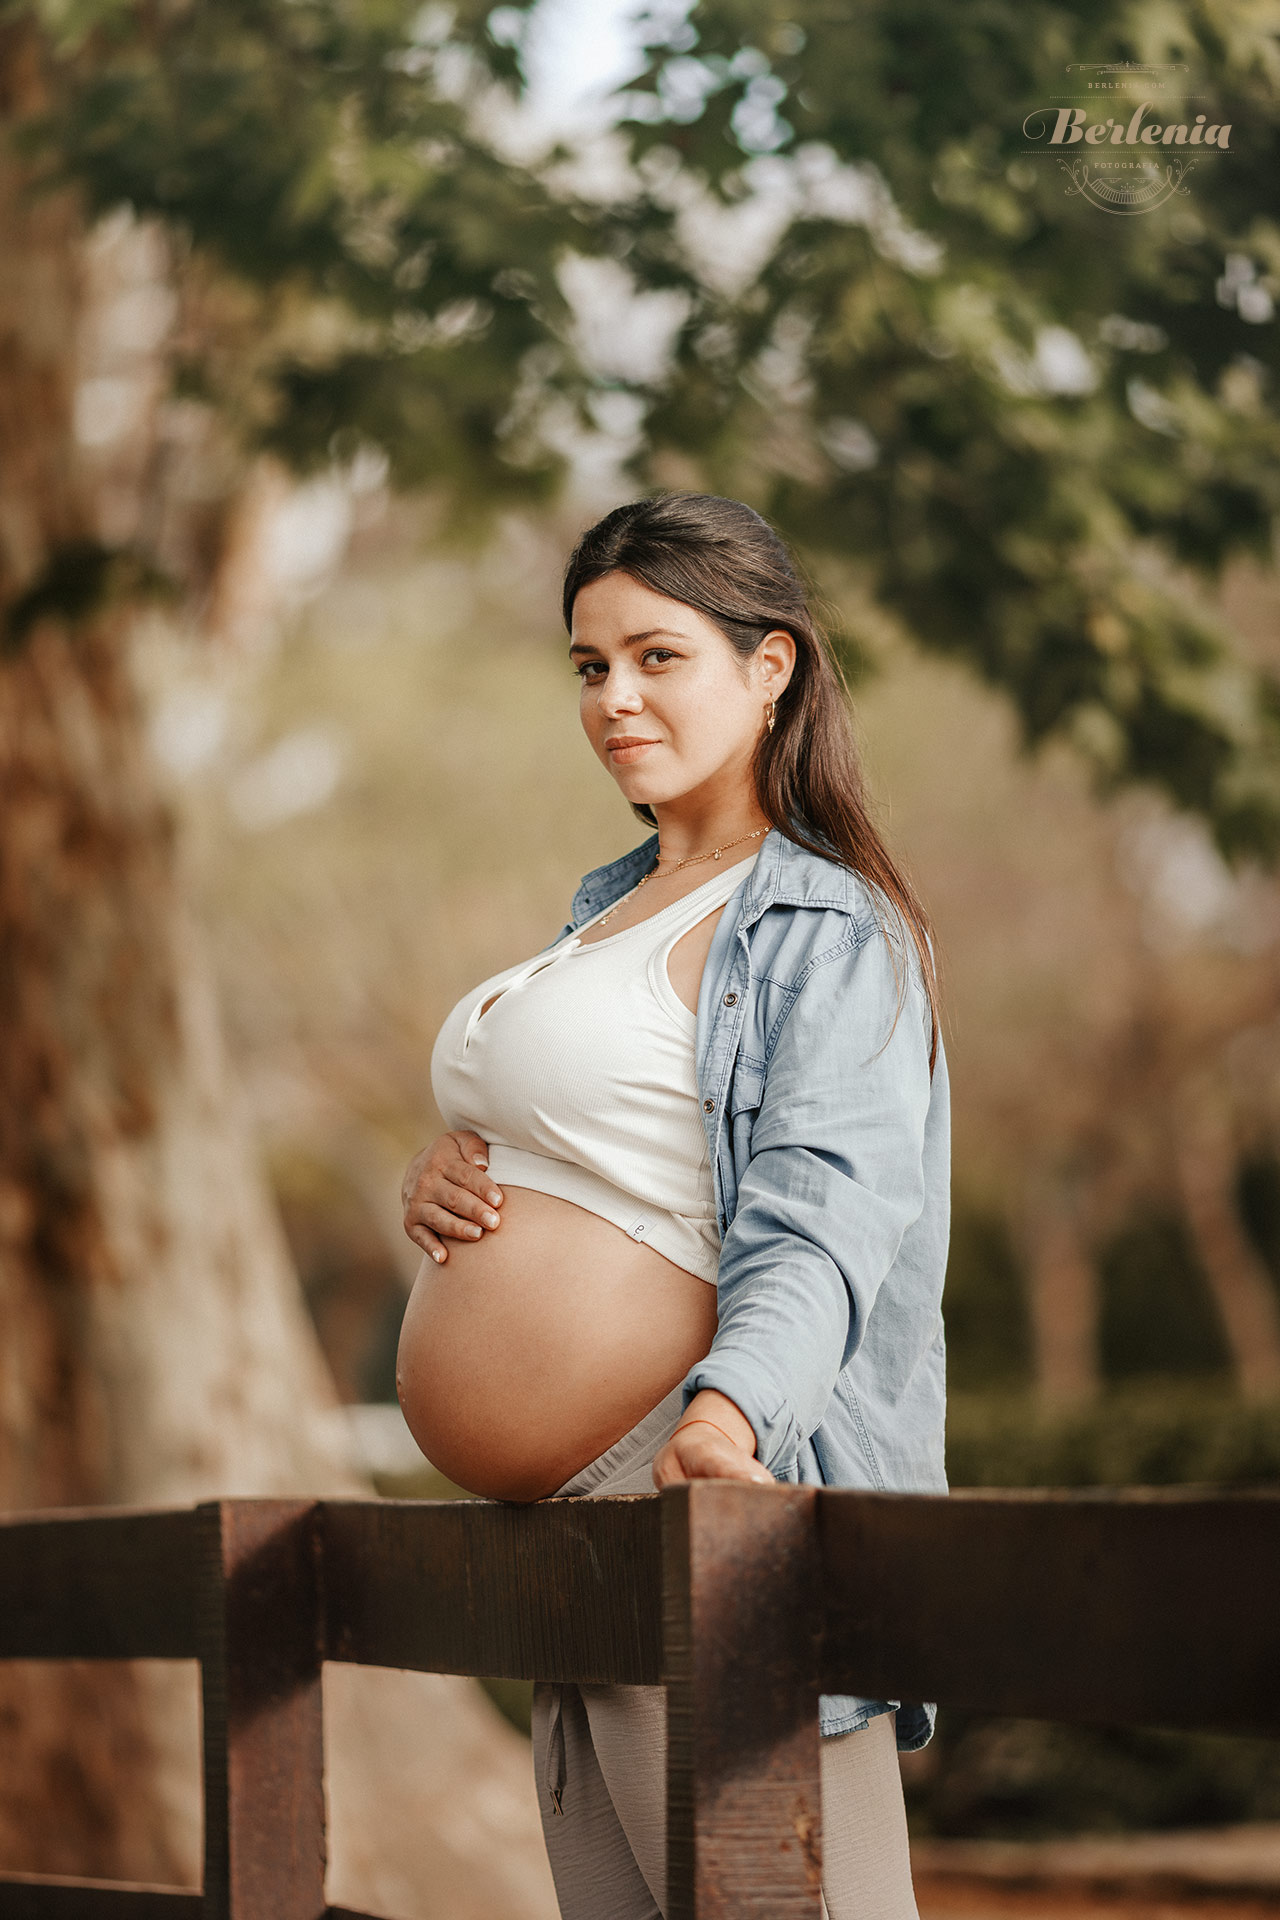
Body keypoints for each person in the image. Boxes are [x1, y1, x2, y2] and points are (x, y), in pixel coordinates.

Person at [398, 492, 949, 1920]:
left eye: (658, 657)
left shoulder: (823, 924)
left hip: (697, 1494)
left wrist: (731, 1416)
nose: (614, 699)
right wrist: (452, 1173)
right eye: (590, 666)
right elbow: (602, 1147)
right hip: (573, 1558)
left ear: (771, 670)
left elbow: (827, 1208)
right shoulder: (612, 905)